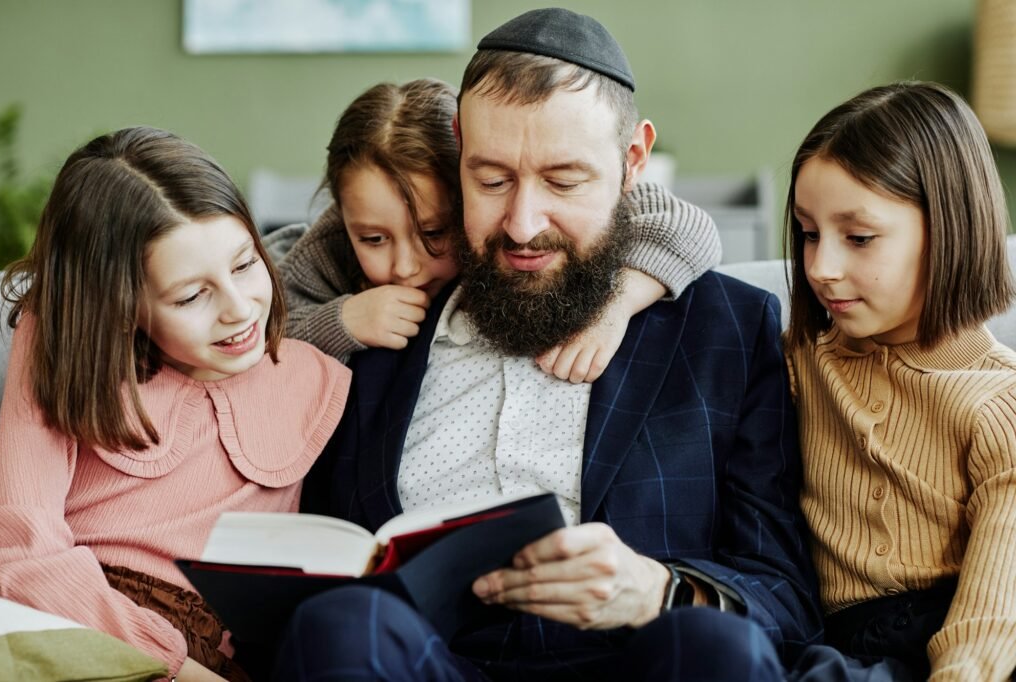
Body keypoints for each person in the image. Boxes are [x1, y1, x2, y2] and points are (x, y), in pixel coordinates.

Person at [283, 9, 821, 681]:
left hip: (641, 662)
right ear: (458, 153)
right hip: (427, 664)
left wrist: (658, 590)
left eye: (564, 181)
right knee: (338, 625)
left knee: (718, 648)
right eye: (491, 180)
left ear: (632, 163)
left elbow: (787, 601)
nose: (522, 224)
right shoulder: (374, 314)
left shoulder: (728, 330)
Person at [0, 127, 351, 681]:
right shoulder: (62, 344)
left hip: (219, 645)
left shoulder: (312, 372)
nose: (239, 309)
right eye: (191, 295)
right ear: (120, 305)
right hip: (77, 621)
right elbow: (22, 546)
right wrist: (175, 666)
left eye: (245, 264)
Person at [783, 82, 1016, 681]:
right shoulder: (798, 360)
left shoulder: (1001, 401)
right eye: (809, 233)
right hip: (832, 645)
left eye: (858, 238)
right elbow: (671, 229)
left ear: (951, 228)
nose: (821, 269)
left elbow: (994, 607)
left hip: (961, 637)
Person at [276, 76, 721, 382]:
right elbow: (260, 326)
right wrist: (341, 321)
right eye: (373, 239)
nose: (406, 266)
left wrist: (616, 305)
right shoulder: (332, 242)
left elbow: (690, 227)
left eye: (434, 233)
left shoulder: (503, 215)